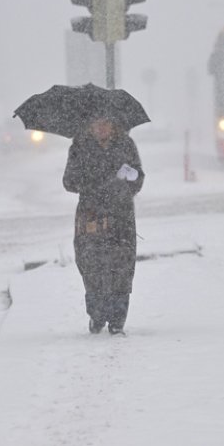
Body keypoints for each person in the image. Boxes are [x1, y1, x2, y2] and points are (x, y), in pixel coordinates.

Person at [63, 115, 145, 335]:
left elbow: (138, 178)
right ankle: (97, 315)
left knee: (121, 268)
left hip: (121, 218)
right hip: (91, 217)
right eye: (96, 123)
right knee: (92, 267)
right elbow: (68, 181)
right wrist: (95, 180)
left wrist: (126, 180)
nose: (101, 128)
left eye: (106, 123)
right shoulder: (80, 146)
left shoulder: (126, 144)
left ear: (113, 124)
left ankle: (118, 320)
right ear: (89, 125)